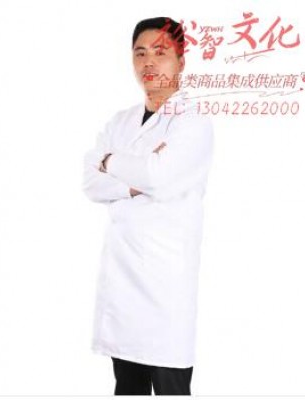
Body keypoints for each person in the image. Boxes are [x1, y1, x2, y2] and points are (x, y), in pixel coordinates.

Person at [82, 16, 214, 395]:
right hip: (122, 281)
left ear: (181, 61)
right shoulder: (120, 122)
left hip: (164, 285)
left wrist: (110, 160)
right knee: (127, 385)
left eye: (160, 53)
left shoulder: (193, 123)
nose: (148, 62)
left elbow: (158, 176)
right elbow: (90, 183)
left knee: (171, 386)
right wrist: (131, 180)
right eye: (140, 53)